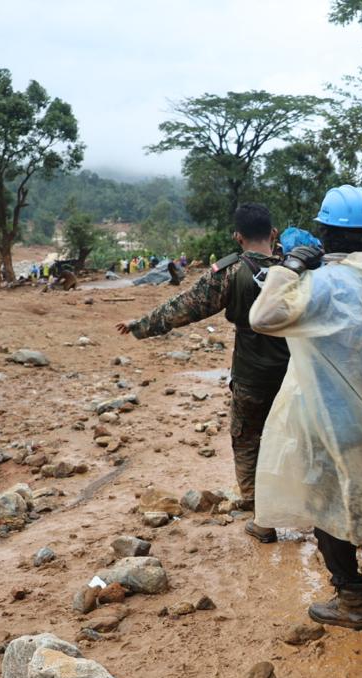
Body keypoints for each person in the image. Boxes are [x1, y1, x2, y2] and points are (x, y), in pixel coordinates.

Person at [249, 185, 362, 630]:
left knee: (327, 504)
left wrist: (291, 267)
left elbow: (262, 317)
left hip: (330, 414)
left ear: (325, 234)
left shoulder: (325, 283)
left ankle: (350, 600)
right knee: (357, 483)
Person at [116, 203, 291, 543]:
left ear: (237, 237)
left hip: (252, 375)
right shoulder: (298, 269)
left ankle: (264, 521)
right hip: (297, 375)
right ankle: (315, 515)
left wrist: (140, 326)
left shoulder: (229, 272)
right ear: (273, 234)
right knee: (298, 440)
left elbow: (183, 307)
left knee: (247, 441)